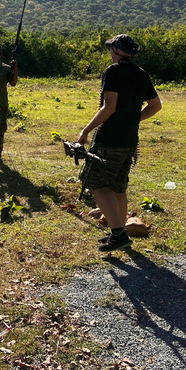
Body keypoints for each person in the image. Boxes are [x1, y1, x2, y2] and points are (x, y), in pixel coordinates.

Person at [76, 34, 161, 252]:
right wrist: (132, 120)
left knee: (96, 183)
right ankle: (120, 230)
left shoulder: (113, 72)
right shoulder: (141, 74)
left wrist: (86, 129)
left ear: (115, 50)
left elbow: (109, 107)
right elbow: (155, 106)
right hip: (130, 141)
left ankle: (117, 234)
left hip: (110, 139)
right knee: (118, 185)